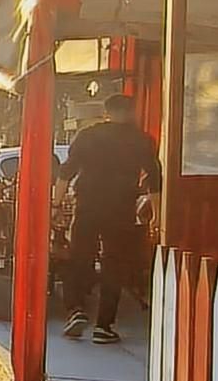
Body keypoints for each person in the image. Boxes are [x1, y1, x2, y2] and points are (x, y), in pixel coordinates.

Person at [55, 94, 162, 344]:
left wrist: (56, 203)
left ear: (106, 112)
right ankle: (104, 326)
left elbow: (66, 171)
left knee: (79, 257)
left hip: (88, 204)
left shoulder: (88, 135)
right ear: (132, 113)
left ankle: (76, 309)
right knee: (115, 264)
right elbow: (154, 177)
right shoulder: (141, 140)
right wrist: (157, 215)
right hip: (120, 208)